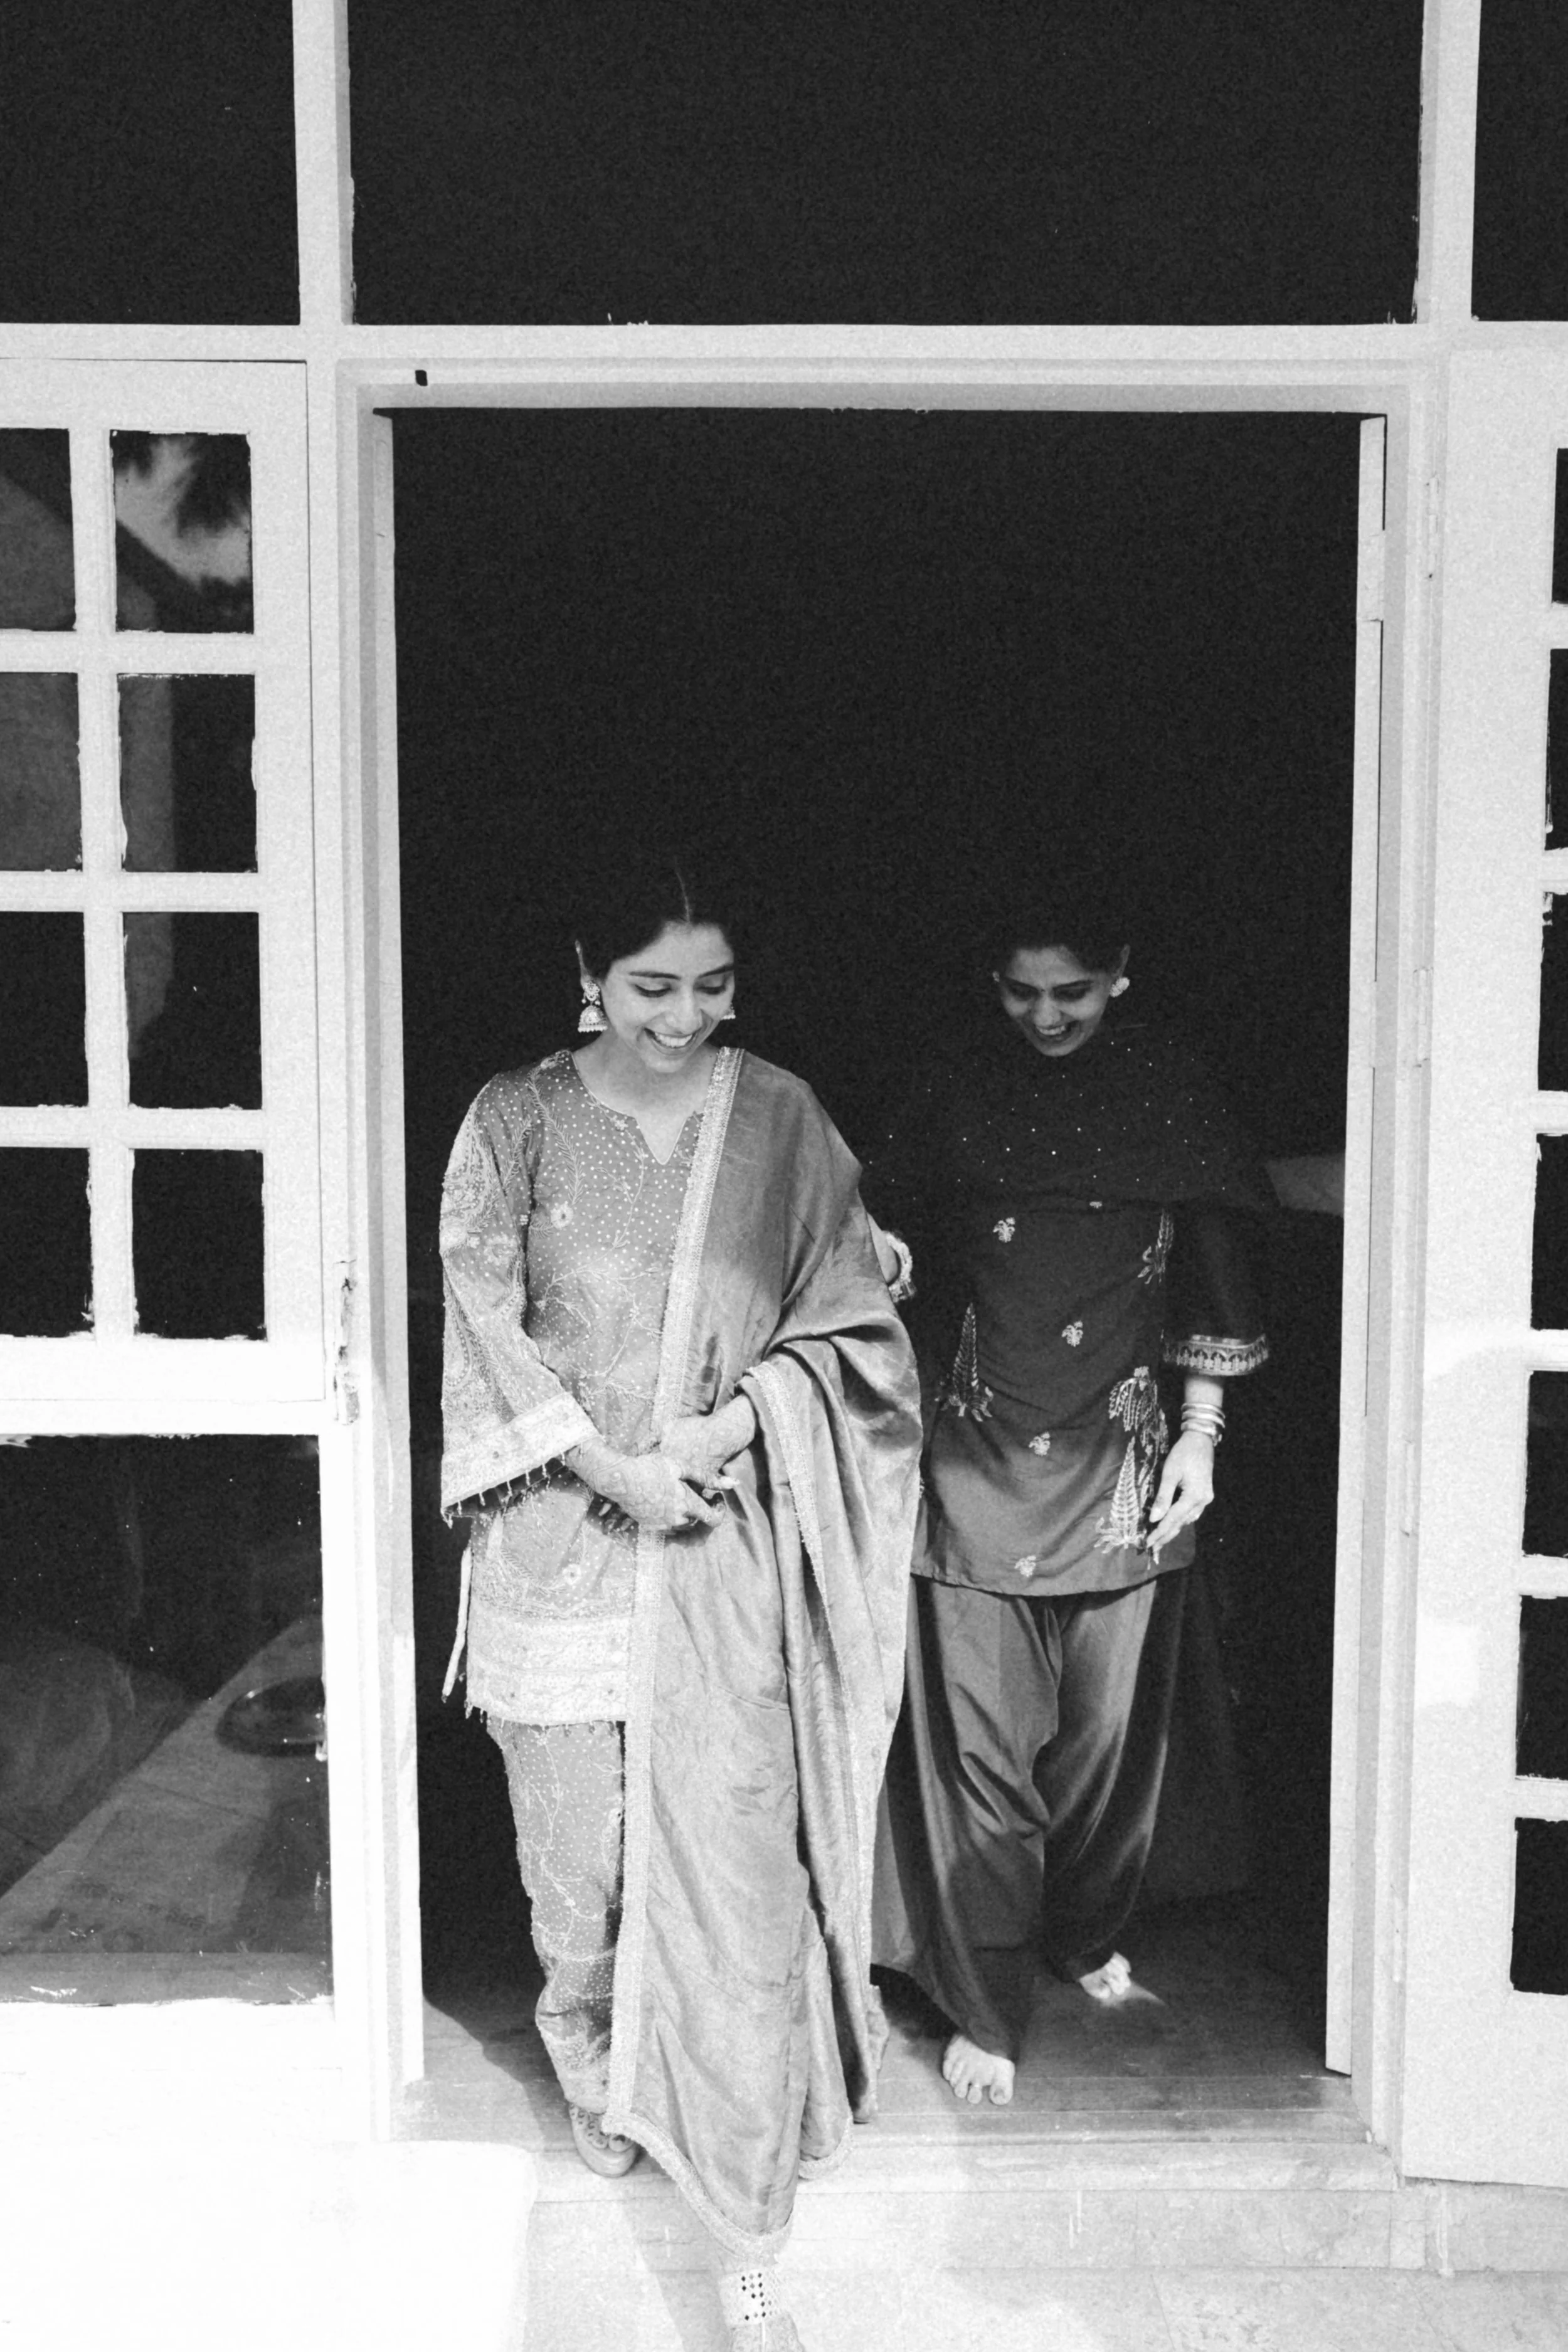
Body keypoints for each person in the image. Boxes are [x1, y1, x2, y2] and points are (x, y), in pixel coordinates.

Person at [437, 860, 921, 2348]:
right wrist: (606, 1468)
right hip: (555, 1543)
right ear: (590, 969)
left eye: (712, 986)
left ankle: (723, 2134)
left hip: (718, 1545)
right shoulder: (512, 1118)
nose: (685, 1015)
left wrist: (722, 1432)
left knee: (722, 1854)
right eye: (653, 986)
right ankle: (591, 2056)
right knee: (575, 1859)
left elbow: (850, 1314)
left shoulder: (777, 1113)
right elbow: (481, 1317)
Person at [866, 872, 1271, 2108]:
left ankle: (1082, 1936)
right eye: (1022, 993)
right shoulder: (952, 1093)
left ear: (1119, 975)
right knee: (979, 1759)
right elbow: (878, 1260)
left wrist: (1199, 1439)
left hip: (1127, 1470)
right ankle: (981, 2008)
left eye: (1073, 992)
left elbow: (1210, 1287)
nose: (1045, 1016)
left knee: (1100, 1748)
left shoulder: (1166, 1092)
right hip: (974, 1470)